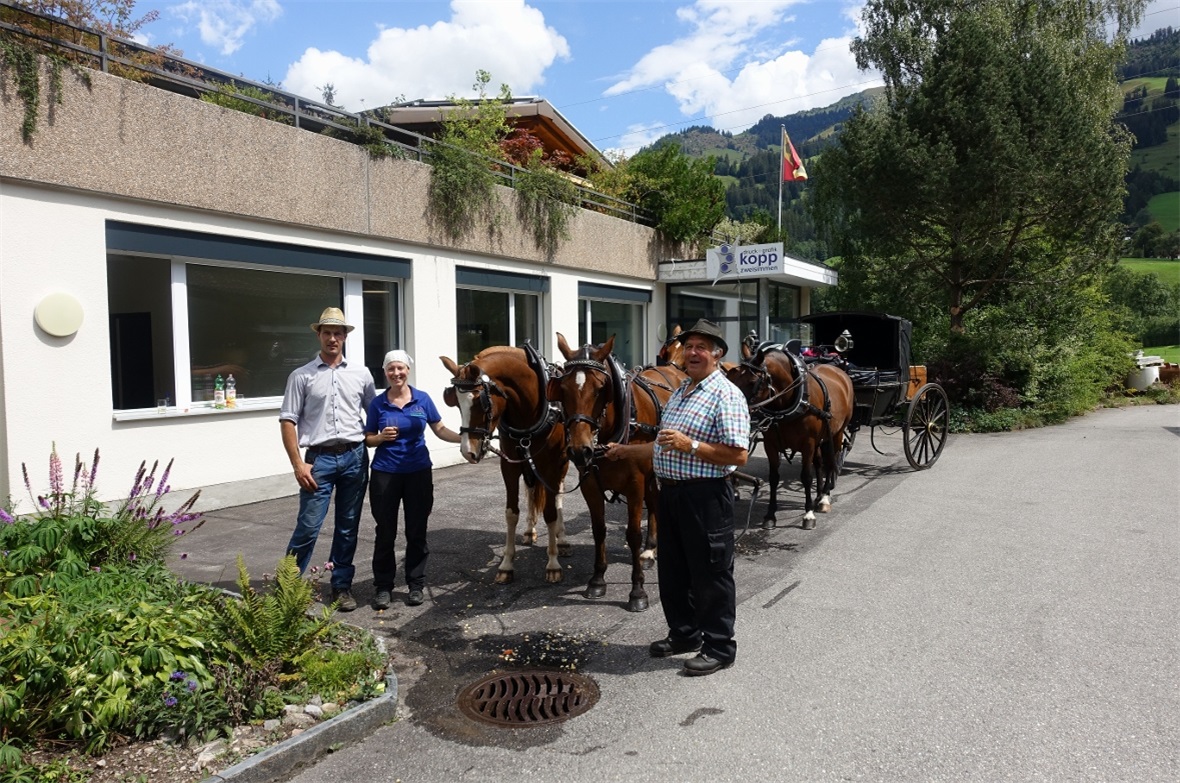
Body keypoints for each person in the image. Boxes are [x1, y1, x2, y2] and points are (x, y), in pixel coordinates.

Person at [605, 319, 749, 676]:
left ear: (717, 354)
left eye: (701, 347)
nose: (693, 352)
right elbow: (663, 447)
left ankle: (720, 647)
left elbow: (738, 454)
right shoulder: (683, 390)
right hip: (669, 494)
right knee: (674, 571)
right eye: (689, 346)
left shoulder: (726, 394)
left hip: (705, 497)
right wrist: (624, 452)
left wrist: (691, 445)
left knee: (711, 573)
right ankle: (685, 634)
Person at [279, 307, 376, 612]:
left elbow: (375, 414)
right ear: (319, 335)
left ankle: (341, 586)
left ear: (345, 336)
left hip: (354, 457)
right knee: (308, 526)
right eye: (327, 333)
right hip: (317, 461)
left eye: (338, 333)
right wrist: (298, 464)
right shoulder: (301, 376)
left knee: (347, 527)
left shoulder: (361, 374)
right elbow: (288, 421)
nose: (332, 338)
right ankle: (288, 587)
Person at [364, 349, 460, 609]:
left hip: (418, 472)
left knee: (417, 531)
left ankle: (415, 584)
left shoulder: (422, 399)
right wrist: (380, 437)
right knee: (385, 532)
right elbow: (368, 438)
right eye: (391, 369)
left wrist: (465, 438)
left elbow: (439, 429)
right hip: (385, 473)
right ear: (385, 372)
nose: (396, 373)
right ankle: (383, 587)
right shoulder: (378, 403)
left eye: (400, 368)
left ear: (408, 370)